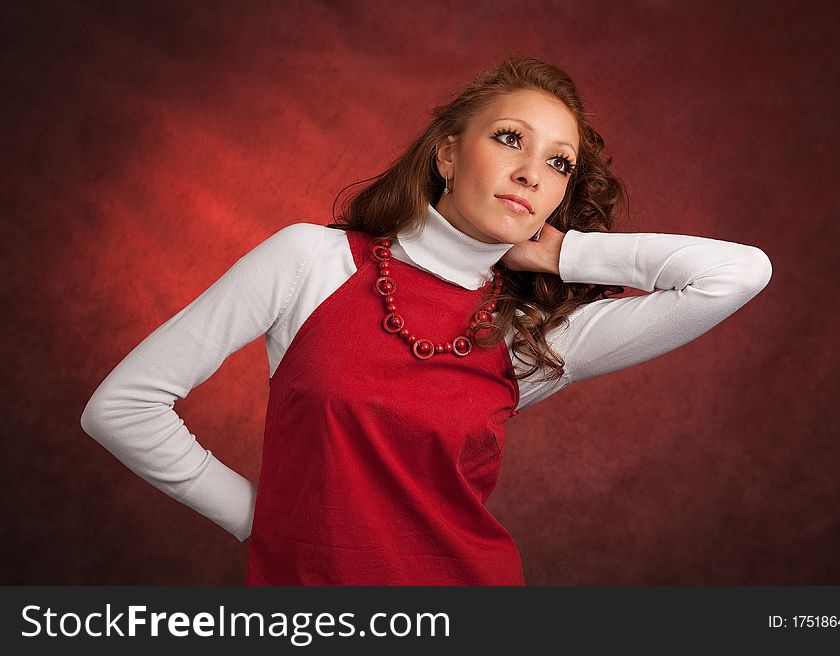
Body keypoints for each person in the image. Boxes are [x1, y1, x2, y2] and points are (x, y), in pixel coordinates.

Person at [80, 57, 772, 585]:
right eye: (510, 139)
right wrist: (261, 520)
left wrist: (567, 251)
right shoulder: (312, 261)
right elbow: (124, 407)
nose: (532, 173)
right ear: (446, 153)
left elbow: (737, 274)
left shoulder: (529, 333)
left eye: (558, 163)